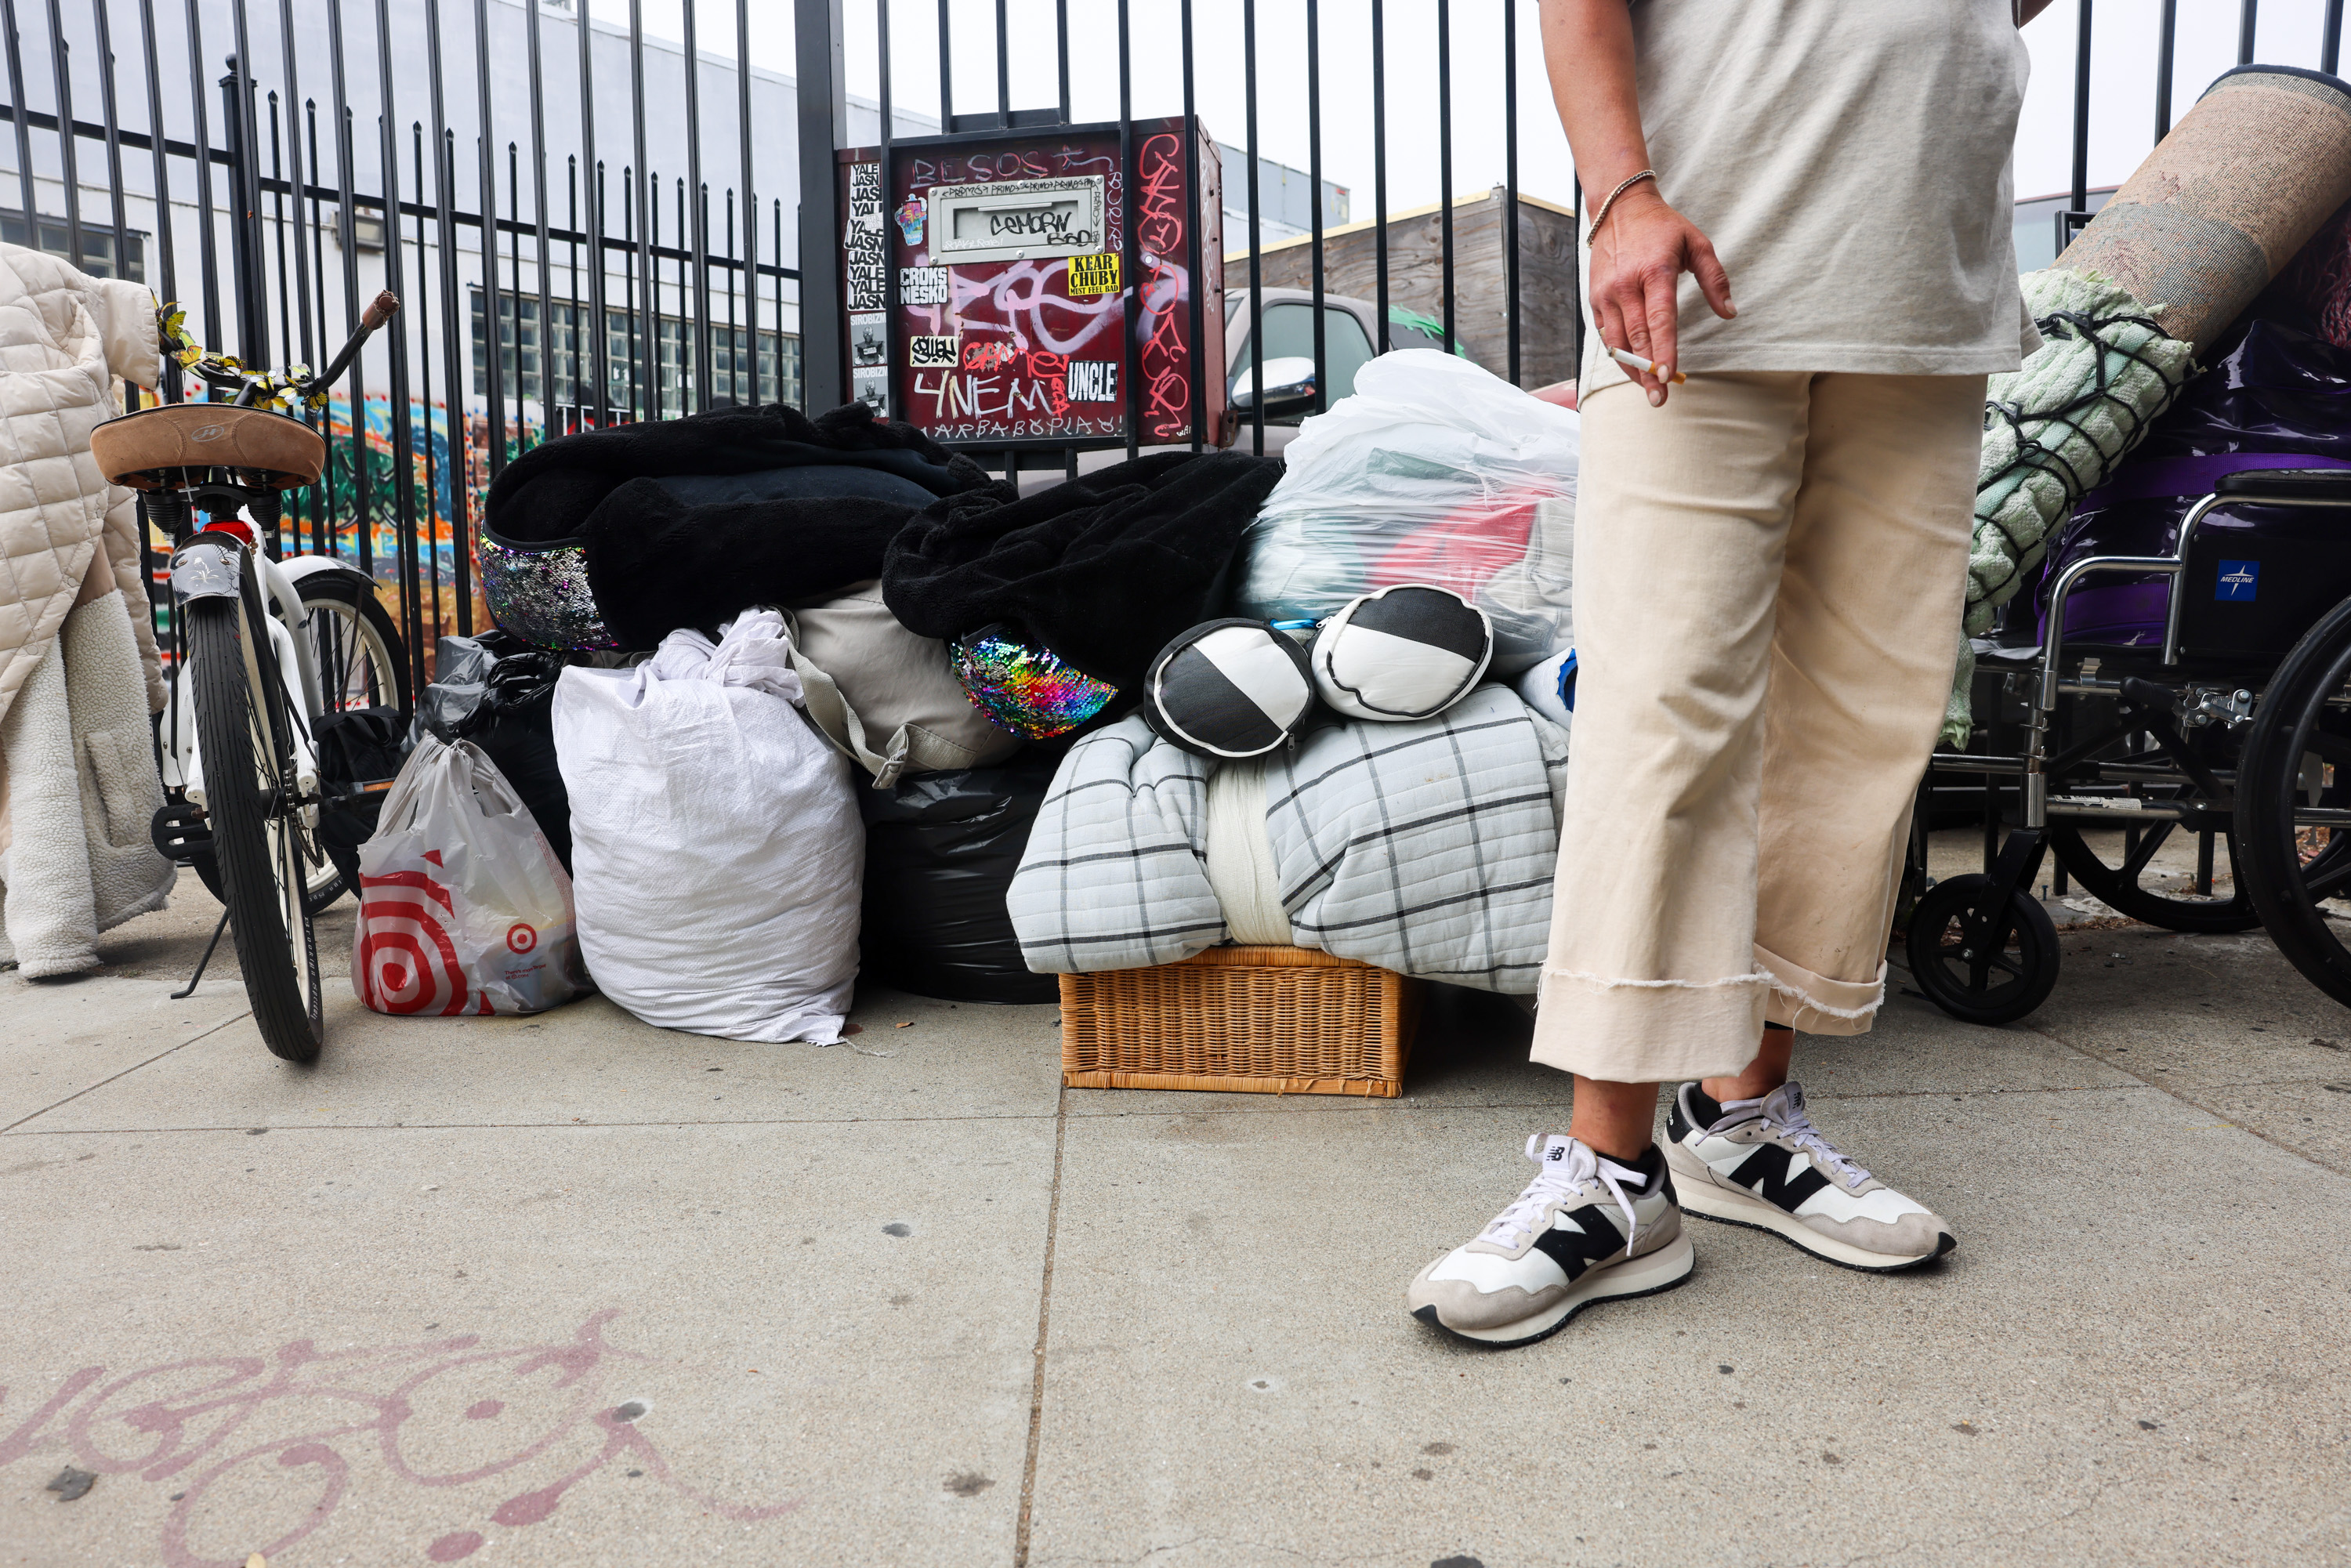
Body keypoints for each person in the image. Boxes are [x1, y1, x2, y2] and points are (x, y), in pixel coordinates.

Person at [1408, 0, 2052, 1346]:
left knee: (1856, 724)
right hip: (1698, 276)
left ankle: (1741, 1117)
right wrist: (1621, 192)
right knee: (1663, 713)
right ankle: (1610, 1172)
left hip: (1921, 289)